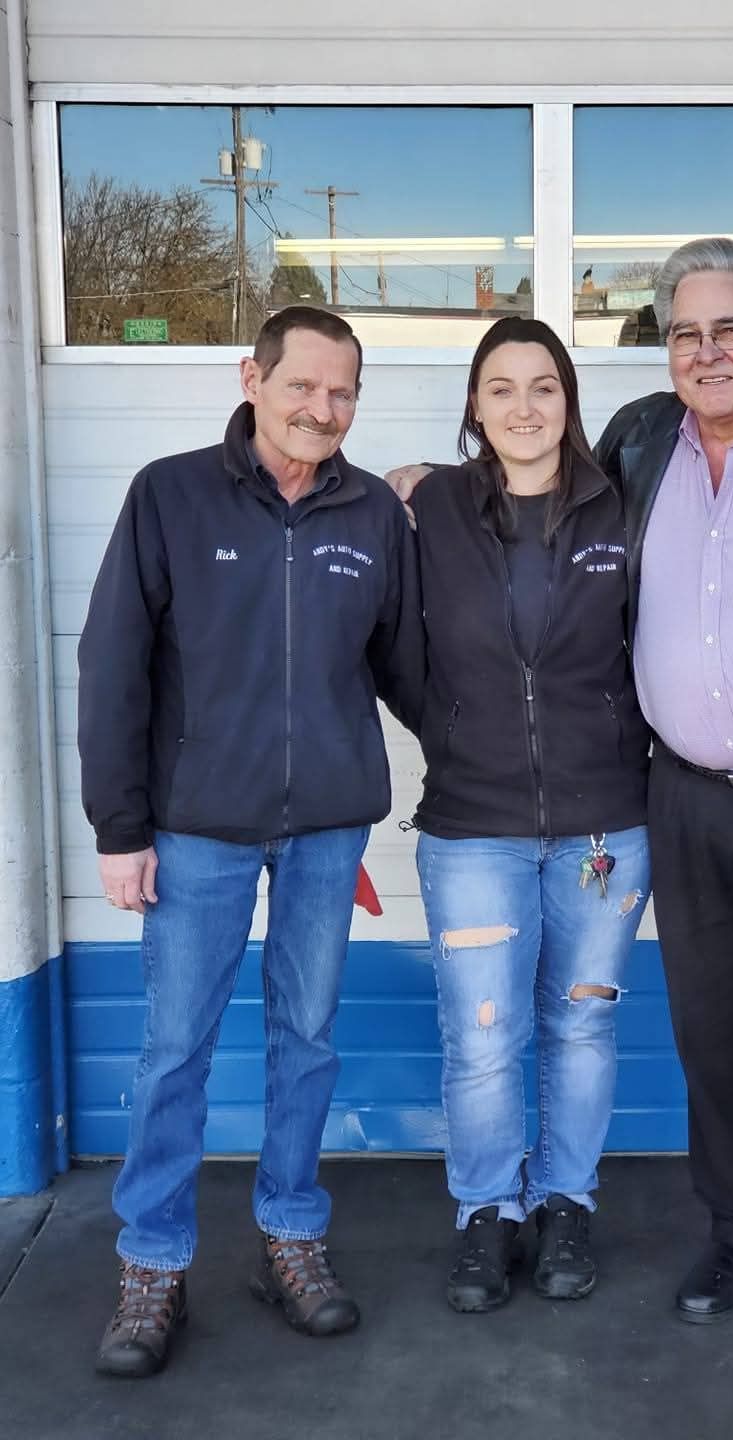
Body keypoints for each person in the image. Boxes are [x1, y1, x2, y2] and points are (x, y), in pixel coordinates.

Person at [387, 239, 733, 1346]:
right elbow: (522, 482)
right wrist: (420, 481)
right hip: (679, 800)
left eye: (728, 328)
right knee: (712, 1037)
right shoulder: (641, 443)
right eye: (683, 332)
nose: (705, 351)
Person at [79, 306, 423, 1378]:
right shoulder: (169, 495)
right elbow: (113, 666)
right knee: (175, 1047)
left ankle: (291, 1233)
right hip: (195, 831)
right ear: (252, 378)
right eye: (302, 387)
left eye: (343, 393)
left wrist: (500, 767)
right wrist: (119, 827)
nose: (323, 410)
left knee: (306, 1037)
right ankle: (151, 1261)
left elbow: (410, 666)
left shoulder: (371, 513)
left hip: (326, 827)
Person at [408, 316, 651, 1313]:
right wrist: (457, 724)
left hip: (604, 826)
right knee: (482, 1035)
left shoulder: (622, 511)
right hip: (472, 826)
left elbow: (660, 645)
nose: (522, 407)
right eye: (500, 388)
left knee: (581, 1031)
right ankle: (484, 1214)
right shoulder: (428, 512)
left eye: (542, 386)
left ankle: (564, 1203)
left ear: (569, 400)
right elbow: (391, 644)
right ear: (474, 404)